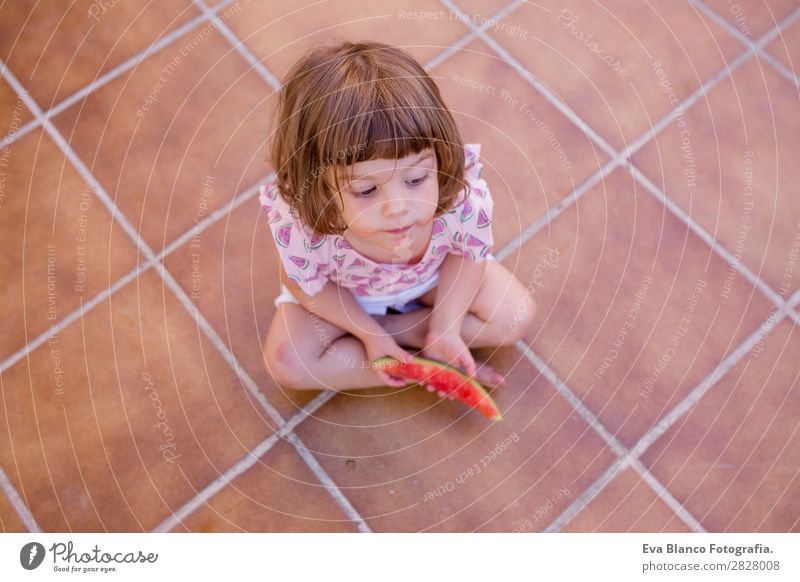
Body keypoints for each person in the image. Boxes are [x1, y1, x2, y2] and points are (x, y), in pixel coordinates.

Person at [261, 41, 536, 392]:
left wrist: (446, 327)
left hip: (432, 279)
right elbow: (304, 283)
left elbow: (467, 256)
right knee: (288, 363)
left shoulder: (460, 197)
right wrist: (369, 334)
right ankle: (410, 352)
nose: (397, 207)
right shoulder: (301, 223)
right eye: (366, 191)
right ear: (320, 187)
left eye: (417, 179)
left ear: (440, 156)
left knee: (515, 318)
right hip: (347, 296)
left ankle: (418, 337)